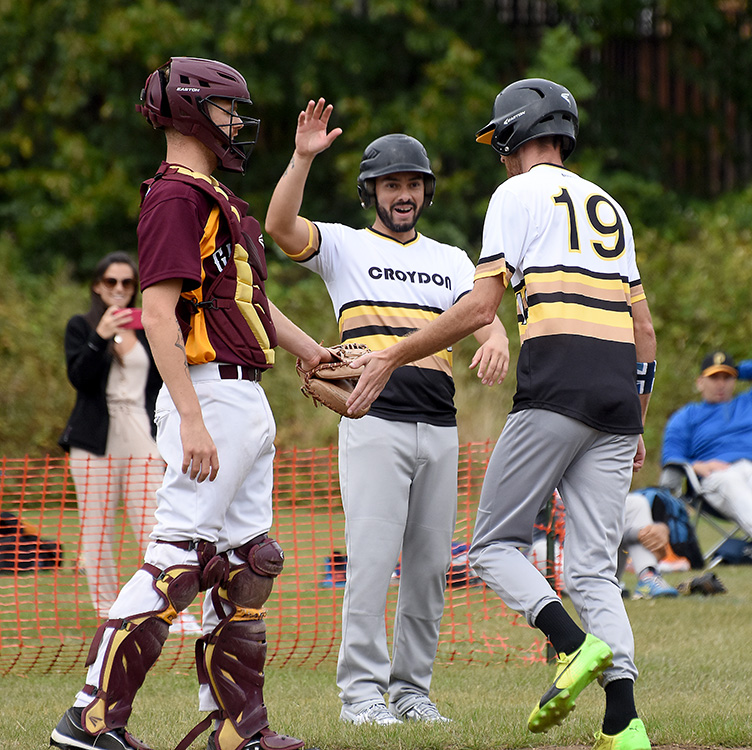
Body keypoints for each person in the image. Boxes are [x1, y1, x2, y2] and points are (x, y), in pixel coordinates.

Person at [346, 78, 657, 750]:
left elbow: (481, 307)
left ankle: (572, 645)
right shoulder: (611, 206)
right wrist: (636, 418)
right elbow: (644, 330)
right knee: (595, 569)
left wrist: (394, 353)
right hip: (616, 395)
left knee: (491, 545)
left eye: (502, 143)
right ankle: (624, 721)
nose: (502, 156)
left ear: (515, 134)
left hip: (557, 385)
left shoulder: (516, 194)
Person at [50, 56, 328, 750]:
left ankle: (238, 730)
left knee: (248, 563)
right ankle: (90, 718)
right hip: (207, 394)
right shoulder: (176, 196)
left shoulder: (213, 197)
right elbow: (157, 312)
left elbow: (250, 304)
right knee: (176, 559)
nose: (237, 124)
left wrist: (314, 353)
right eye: (229, 110)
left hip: (243, 395)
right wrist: (193, 416)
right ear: (192, 111)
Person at [264, 99, 509, 726]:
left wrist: (498, 339)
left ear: (426, 192)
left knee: (429, 571)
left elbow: (481, 316)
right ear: (371, 191)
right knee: (372, 566)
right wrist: (302, 157)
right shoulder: (344, 246)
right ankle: (361, 697)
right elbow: (280, 226)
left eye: (414, 184)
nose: (404, 195)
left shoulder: (452, 259)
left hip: (441, 426)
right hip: (374, 424)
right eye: (392, 184)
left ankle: (411, 692)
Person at [662, 350, 752, 538]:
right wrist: (696, 466)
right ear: (700, 382)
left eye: (727, 377)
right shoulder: (687, 415)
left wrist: (738, 369)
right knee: (730, 481)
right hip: (716, 477)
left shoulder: (746, 403)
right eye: (714, 377)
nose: (721, 384)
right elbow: (671, 457)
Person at [529, 492, 678, 600]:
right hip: (561, 560)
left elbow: (603, 524)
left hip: (597, 555)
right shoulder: (539, 471)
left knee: (636, 503)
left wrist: (648, 532)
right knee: (540, 550)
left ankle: (648, 576)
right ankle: (600, 591)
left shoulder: (582, 467)